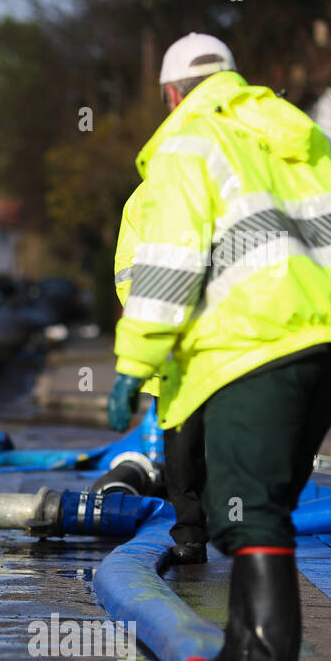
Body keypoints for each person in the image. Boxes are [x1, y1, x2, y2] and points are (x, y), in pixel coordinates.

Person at [107, 33, 331, 661]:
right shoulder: (311, 136)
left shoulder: (188, 143)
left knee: (246, 503)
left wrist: (134, 365)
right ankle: (240, 650)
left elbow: (170, 267)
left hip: (256, 343)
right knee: (259, 504)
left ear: (173, 93)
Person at [112, 185, 209, 566]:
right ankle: (191, 532)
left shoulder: (228, 183)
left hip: (220, 341)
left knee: (214, 442)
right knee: (183, 446)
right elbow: (130, 275)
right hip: (176, 346)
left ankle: (204, 527)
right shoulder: (148, 196)